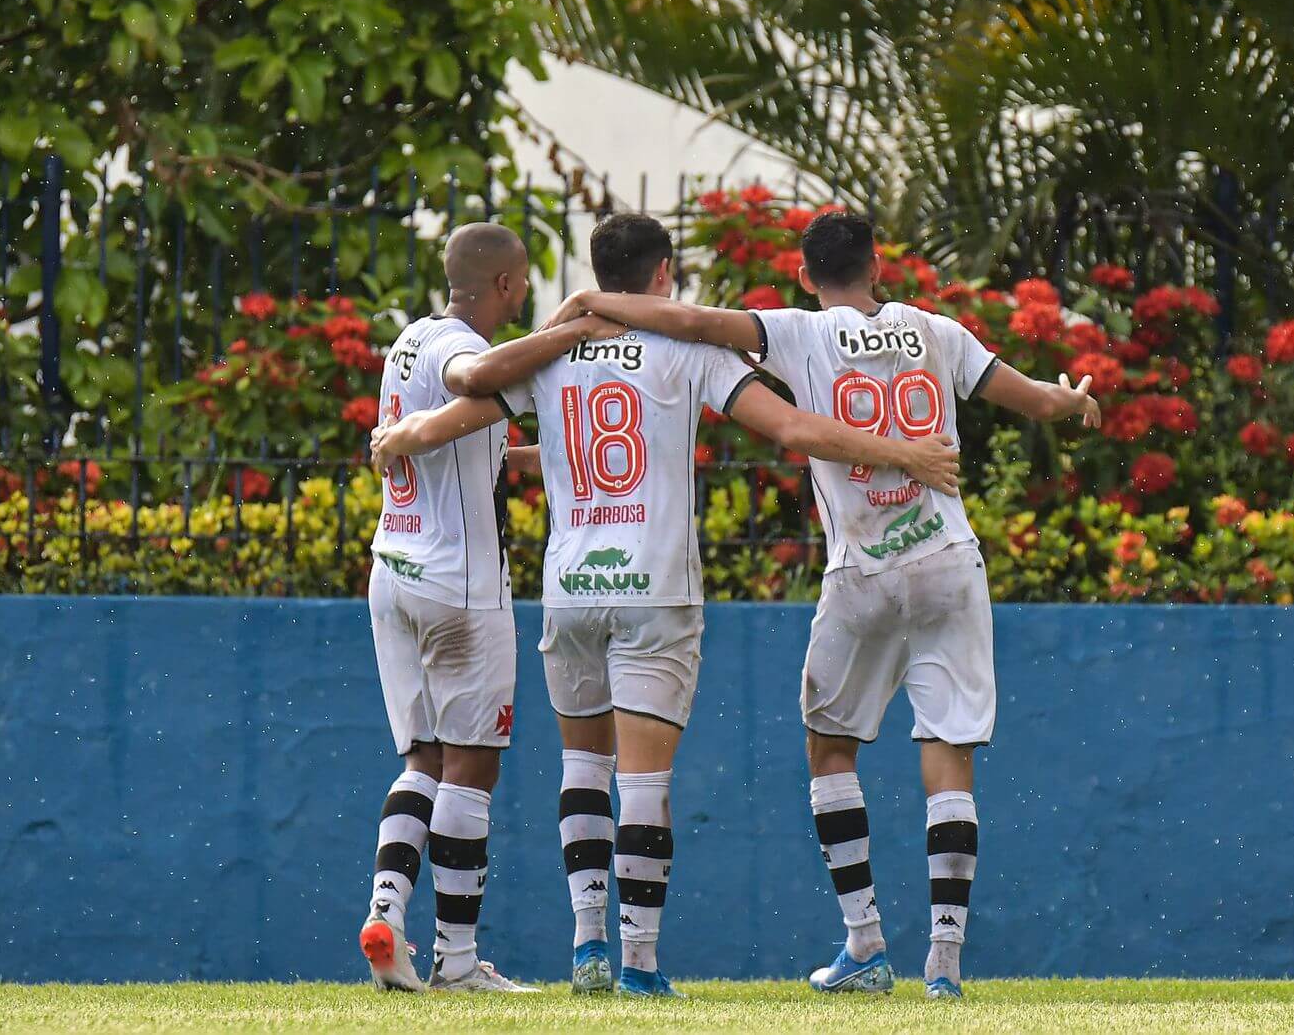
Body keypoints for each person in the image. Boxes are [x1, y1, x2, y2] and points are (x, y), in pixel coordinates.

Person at [370, 213, 962, 997]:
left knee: (582, 768)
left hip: (571, 586)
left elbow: (463, 410)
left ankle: (585, 947)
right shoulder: (689, 349)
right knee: (644, 786)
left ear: (596, 269)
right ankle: (639, 964)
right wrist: (902, 452)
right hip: (655, 588)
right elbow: (788, 426)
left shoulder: (555, 350)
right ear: (661, 274)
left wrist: (401, 435)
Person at [541, 210, 1100, 1000]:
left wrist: (593, 307)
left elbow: (691, 320)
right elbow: (1037, 401)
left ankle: (866, 944)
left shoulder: (798, 331)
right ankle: (944, 964)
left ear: (806, 277)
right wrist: (1075, 402)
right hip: (948, 559)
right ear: (879, 264)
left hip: (864, 569)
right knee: (948, 753)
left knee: (831, 747)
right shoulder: (935, 331)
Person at [358, 221, 623, 994]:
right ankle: (459, 961)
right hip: (460, 589)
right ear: (504, 285)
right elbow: (478, 380)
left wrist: (547, 455)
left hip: (393, 571)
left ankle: (386, 912)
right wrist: (572, 334)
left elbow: (467, 439)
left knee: (423, 761)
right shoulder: (454, 351)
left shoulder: (407, 341)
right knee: (472, 767)